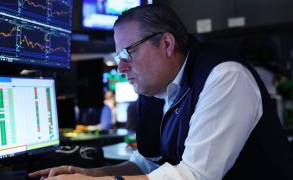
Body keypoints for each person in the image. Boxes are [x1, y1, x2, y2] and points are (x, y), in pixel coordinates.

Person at [29, 4, 293, 179]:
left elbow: (194, 176)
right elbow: (150, 163)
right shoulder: (155, 90)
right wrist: (90, 174)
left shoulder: (224, 76)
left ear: (166, 43)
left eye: (126, 53)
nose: (121, 67)